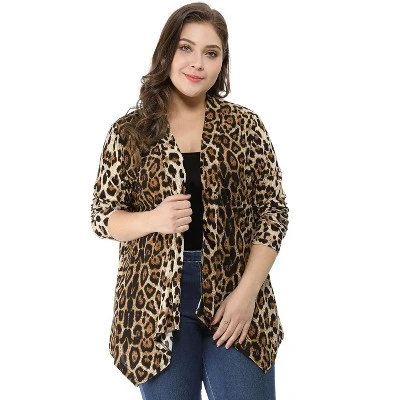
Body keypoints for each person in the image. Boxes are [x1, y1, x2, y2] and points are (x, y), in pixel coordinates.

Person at [90, 2, 289, 399]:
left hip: (235, 292)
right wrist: (153, 219)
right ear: (167, 51)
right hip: (154, 307)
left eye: (211, 53)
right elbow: (102, 217)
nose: (197, 63)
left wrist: (247, 294)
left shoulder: (245, 126)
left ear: (222, 63)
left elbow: (273, 212)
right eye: (186, 48)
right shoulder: (130, 132)